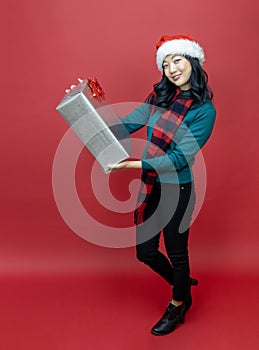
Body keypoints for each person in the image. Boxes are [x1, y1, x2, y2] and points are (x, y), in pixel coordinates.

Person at [106, 34, 216, 336]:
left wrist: (134, 164)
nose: (171, 68)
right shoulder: (158, 99)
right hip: (152, 185)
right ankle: (181, 280)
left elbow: (181, 157)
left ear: (192, 61)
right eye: (165, 64)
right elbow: (125, 126)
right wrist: (87, 107)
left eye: (177, 60)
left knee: (177, 252)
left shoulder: (204, 111)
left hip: (177, 188)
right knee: (146, 252)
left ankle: (179, 301)